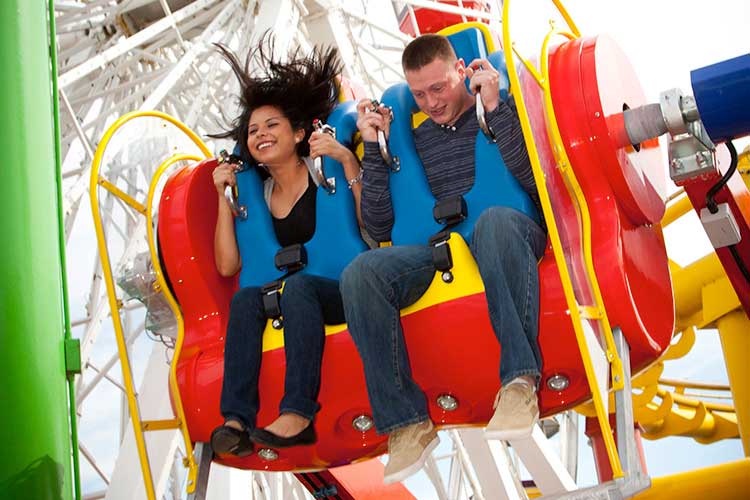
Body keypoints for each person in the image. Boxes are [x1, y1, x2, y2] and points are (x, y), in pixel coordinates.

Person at [340, 34, 547, 483]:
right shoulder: (409, 144)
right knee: (360, 273)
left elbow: (536, 181)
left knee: (492, 221)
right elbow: (377, 230)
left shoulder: (497, 113)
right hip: (437, 249)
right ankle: (405, 422)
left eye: (438, 88)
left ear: (461, 72)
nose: (431, 102)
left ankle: (519, 382)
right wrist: (374, 149)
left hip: (507, 232)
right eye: (418, 94)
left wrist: (496, 111)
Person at [209, 38, 364, 456]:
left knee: (297, 288)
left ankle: (298, 412)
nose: (260, 135)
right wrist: (223, 199)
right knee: (244, 301)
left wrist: (349, 161)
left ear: (299, 133)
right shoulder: (252, 200)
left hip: (344, 290)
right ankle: (236, 419)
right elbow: (227, 266)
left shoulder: (326, 170)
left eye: (271, 126)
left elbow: (374, 227)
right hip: (293, 300)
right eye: (253, 130)